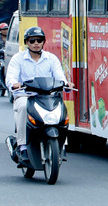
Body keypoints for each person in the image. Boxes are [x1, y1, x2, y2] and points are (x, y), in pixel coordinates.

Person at [6, 26, 67, 163]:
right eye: (32, 40)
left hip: (47, 96)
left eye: (39, 40)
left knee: (61, 108)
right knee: (22, 107)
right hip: (25, 96)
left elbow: (60, 76)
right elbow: (10, 78)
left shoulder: (51, 59)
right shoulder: (18, 59)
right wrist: (14, 84)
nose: (36, 43)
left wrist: (66, 83)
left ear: (43, 42)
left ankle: (62, 145)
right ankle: (22, 147)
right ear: (26, 42)